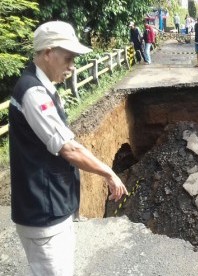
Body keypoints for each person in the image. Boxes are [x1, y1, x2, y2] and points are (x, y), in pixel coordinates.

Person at [8, 20, 128, 276]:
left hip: (51, 207)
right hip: (43, 212)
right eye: (68, 58)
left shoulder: (42, 88)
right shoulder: (33, 94)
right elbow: (68, 149)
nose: (72, 67)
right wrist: (108, 172)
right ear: (48, 53)